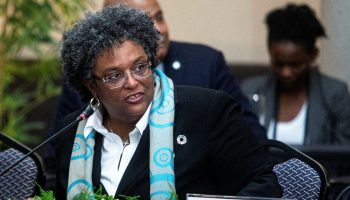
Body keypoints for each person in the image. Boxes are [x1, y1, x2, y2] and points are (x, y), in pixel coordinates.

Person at [55, 5, 282, 200]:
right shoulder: (74, 133)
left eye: (139, 67)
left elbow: (265, 186)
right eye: (115, 75)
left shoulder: (205, 112)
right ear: (92, 85)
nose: (133, 82)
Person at [52, 0, 265, 140]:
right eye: (143, 22)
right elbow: (59, 155)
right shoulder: (89, 77)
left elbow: (251, 136)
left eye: (159, 17)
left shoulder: (206, 63)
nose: (159, 30)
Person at [242, 3, 350, 145]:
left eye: (295, 65)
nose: (286, 72)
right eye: (279, 64)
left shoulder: (334, 95)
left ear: (313, 55)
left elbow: (342, 159)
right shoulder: (251, 90)